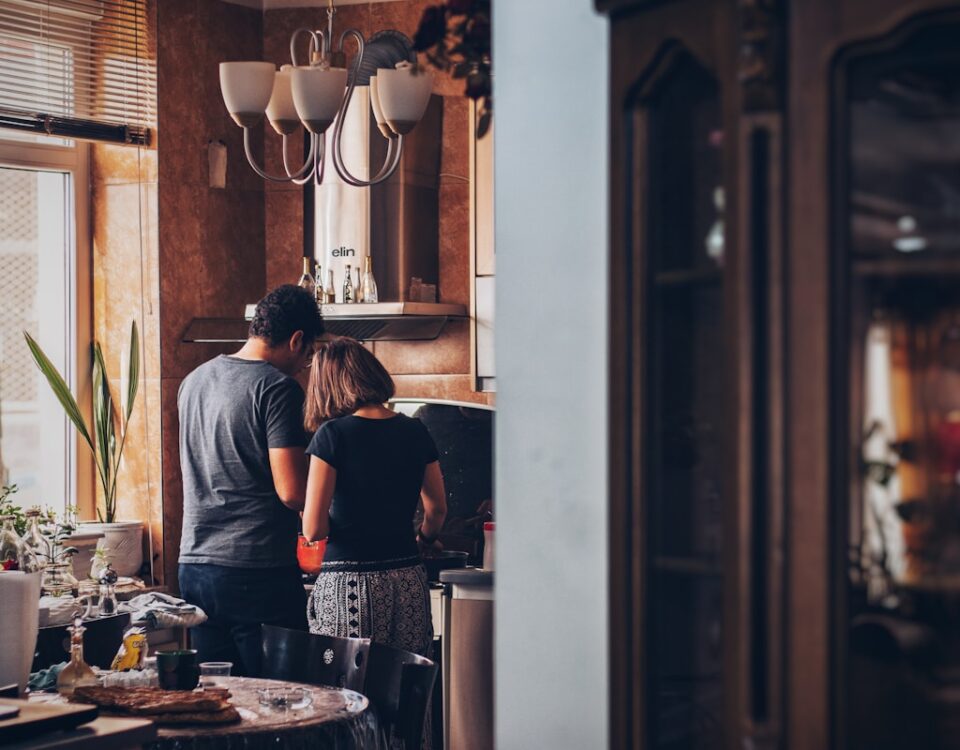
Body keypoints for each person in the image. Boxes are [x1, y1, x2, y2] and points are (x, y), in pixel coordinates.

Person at [177, 284, 323, 676]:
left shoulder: (194, 381)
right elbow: (292, 492)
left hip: (195, 566)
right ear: (296, 340)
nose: (304, 365)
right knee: (284, 704)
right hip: (254, 570)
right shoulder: (277, 388)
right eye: (308, 355)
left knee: (221, 702)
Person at [301, 338, 447, 658]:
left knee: (348, 693)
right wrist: (424, 539)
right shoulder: (415, 430)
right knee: (406, 686)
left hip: (350, 585)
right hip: (408, 578)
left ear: (327, 385)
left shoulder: (332, 435)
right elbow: (436, 508)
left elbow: (314, 529)